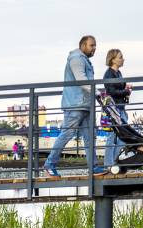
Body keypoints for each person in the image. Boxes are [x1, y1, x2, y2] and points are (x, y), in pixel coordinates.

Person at [42, 36, 107, 178]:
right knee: (67, 134)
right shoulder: (76, 59)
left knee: (90, 136)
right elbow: (81, 79)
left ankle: (94, 167)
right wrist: (98, 93)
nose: (94, 48)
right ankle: (49, 164)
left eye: (95, 45)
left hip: (85, 104)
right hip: (75, 104)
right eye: (92, 45)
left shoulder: (83, 59)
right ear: (83, 45)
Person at [103, 48, 132, 169]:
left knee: (123, 136)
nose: (123, 59)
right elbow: (111, 91)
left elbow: (119, 88)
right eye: (120, 57)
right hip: (114, 109)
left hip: (120, 107)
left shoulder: (118, 73)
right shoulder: (109, 74)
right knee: (112, 136)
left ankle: (114, 162)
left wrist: (126, 87)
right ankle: (108, 164)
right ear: (113, 59)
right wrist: (125, 91)